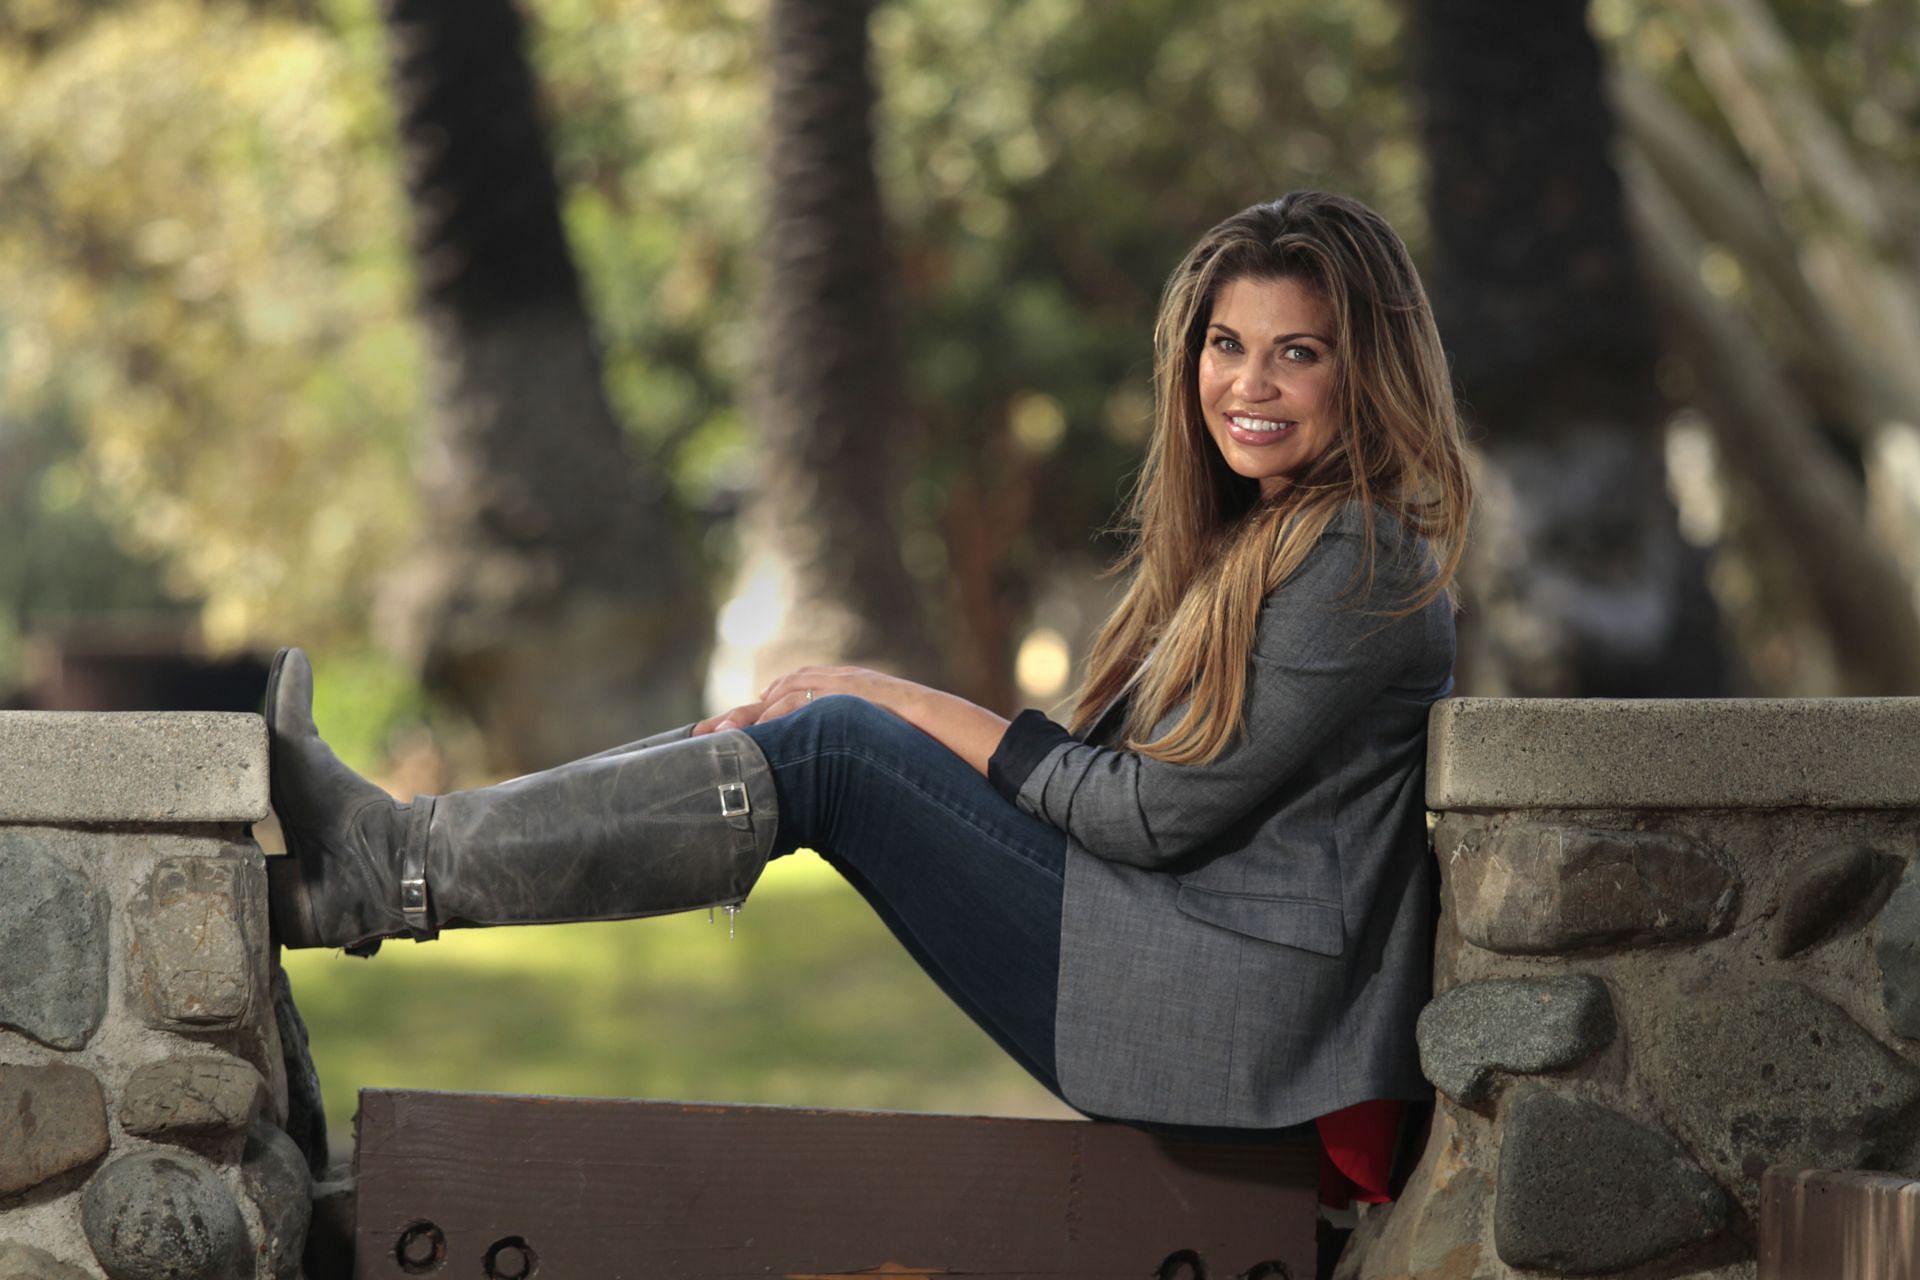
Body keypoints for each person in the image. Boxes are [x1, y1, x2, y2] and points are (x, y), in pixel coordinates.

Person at [265, 190, 1471, 1178]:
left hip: (1242, 1040)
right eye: (1227, 344)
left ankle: (383, 866)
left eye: (1295, 353)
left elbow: (1154, 814)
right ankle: (381, 862)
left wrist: (899, 699)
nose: (1248, 385)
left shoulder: (1355, 555)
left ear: (1363, 370)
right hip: (1189, 978)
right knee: (824, 734)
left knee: (839, 741)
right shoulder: (1267, 540)